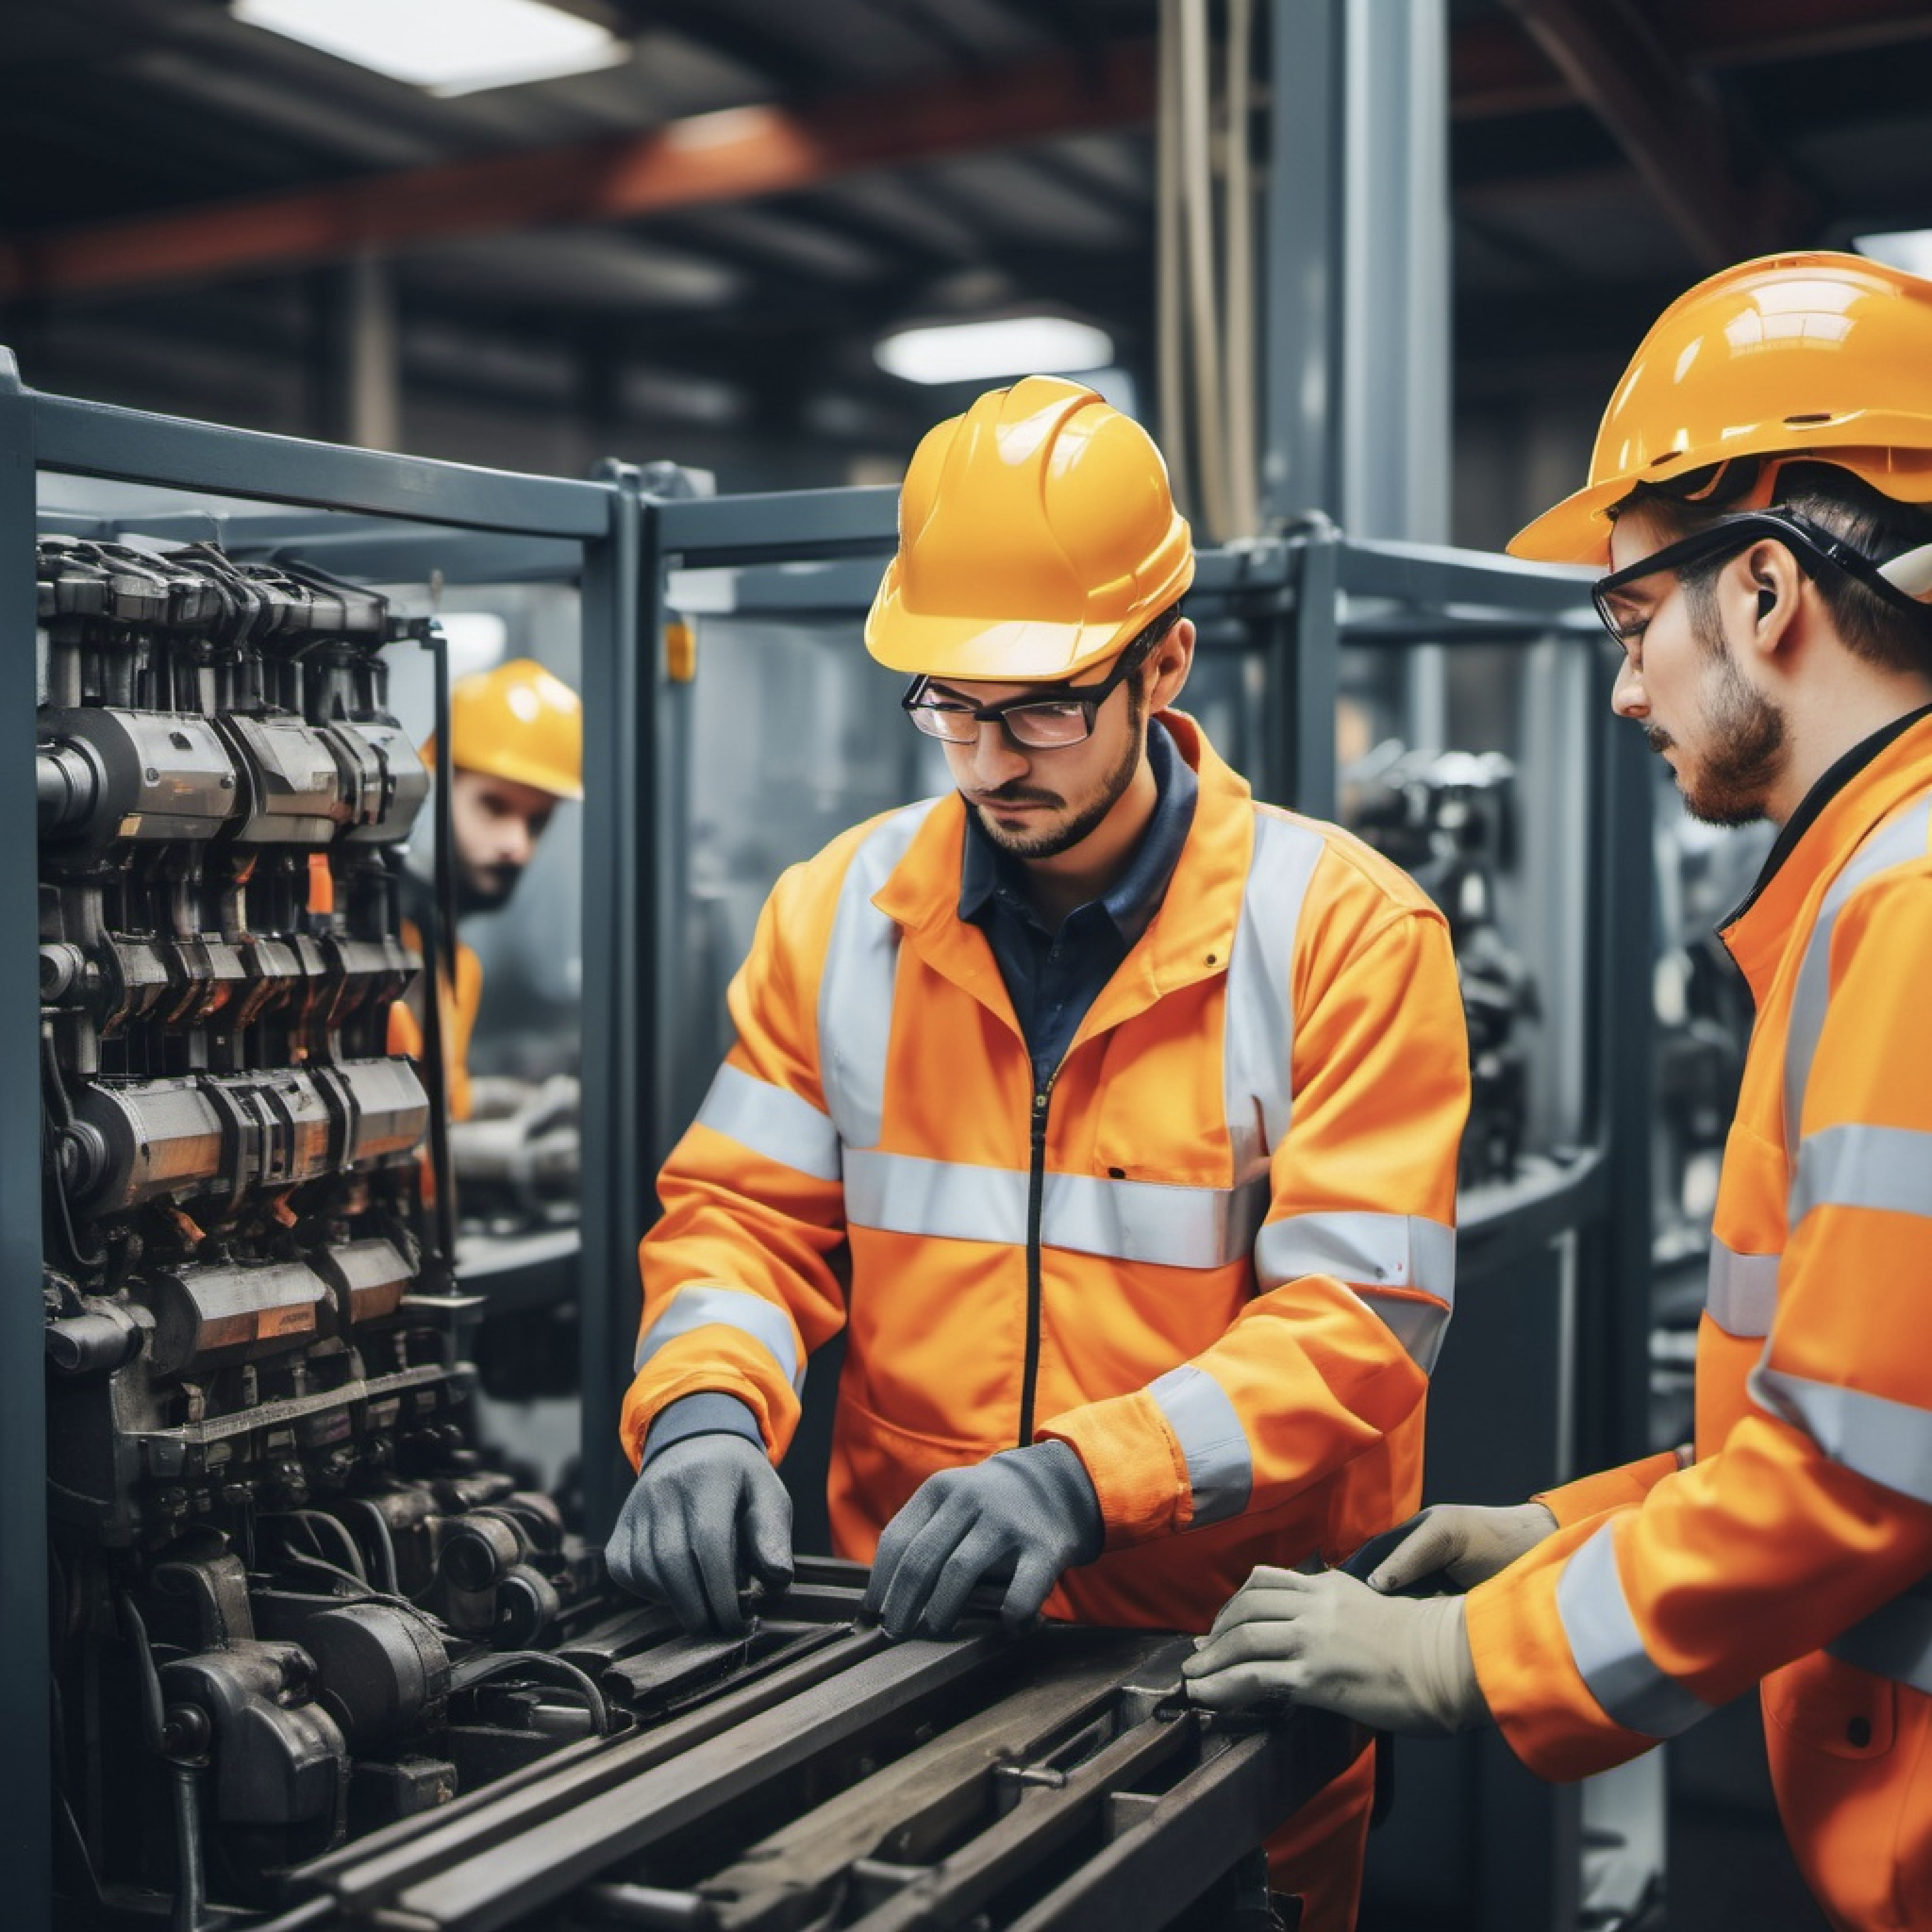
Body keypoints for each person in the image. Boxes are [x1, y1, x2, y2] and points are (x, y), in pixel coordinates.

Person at [605, 375, 1470, 1928]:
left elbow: (1360, 1322)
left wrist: (1083, 1477)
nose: (994, 758)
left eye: (1043, 706)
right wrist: (702, 1414)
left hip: (1221, 1684)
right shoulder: (838, 910)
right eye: (950, 703)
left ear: (1165, 662)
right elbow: (740, 1216)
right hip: (905, 1658)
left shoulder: (1338, 931)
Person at [1183, 251, 1932, 1932]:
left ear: (1762, 591)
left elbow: (1859, 1481)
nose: (1617, 685)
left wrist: (1469, 1650)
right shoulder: (1875, 889)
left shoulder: (1910, 907)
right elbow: (1871, 1407)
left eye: (1626, 615)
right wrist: (1565, 1525)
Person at [389, 656, 583, 1197]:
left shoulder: (455, 964)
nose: (516, 846)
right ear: (427, 797)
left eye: (536, 820)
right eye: (493, 807)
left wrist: (517, 1101)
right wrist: (507, 1158)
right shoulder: (370, 959)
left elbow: (441, 1103)